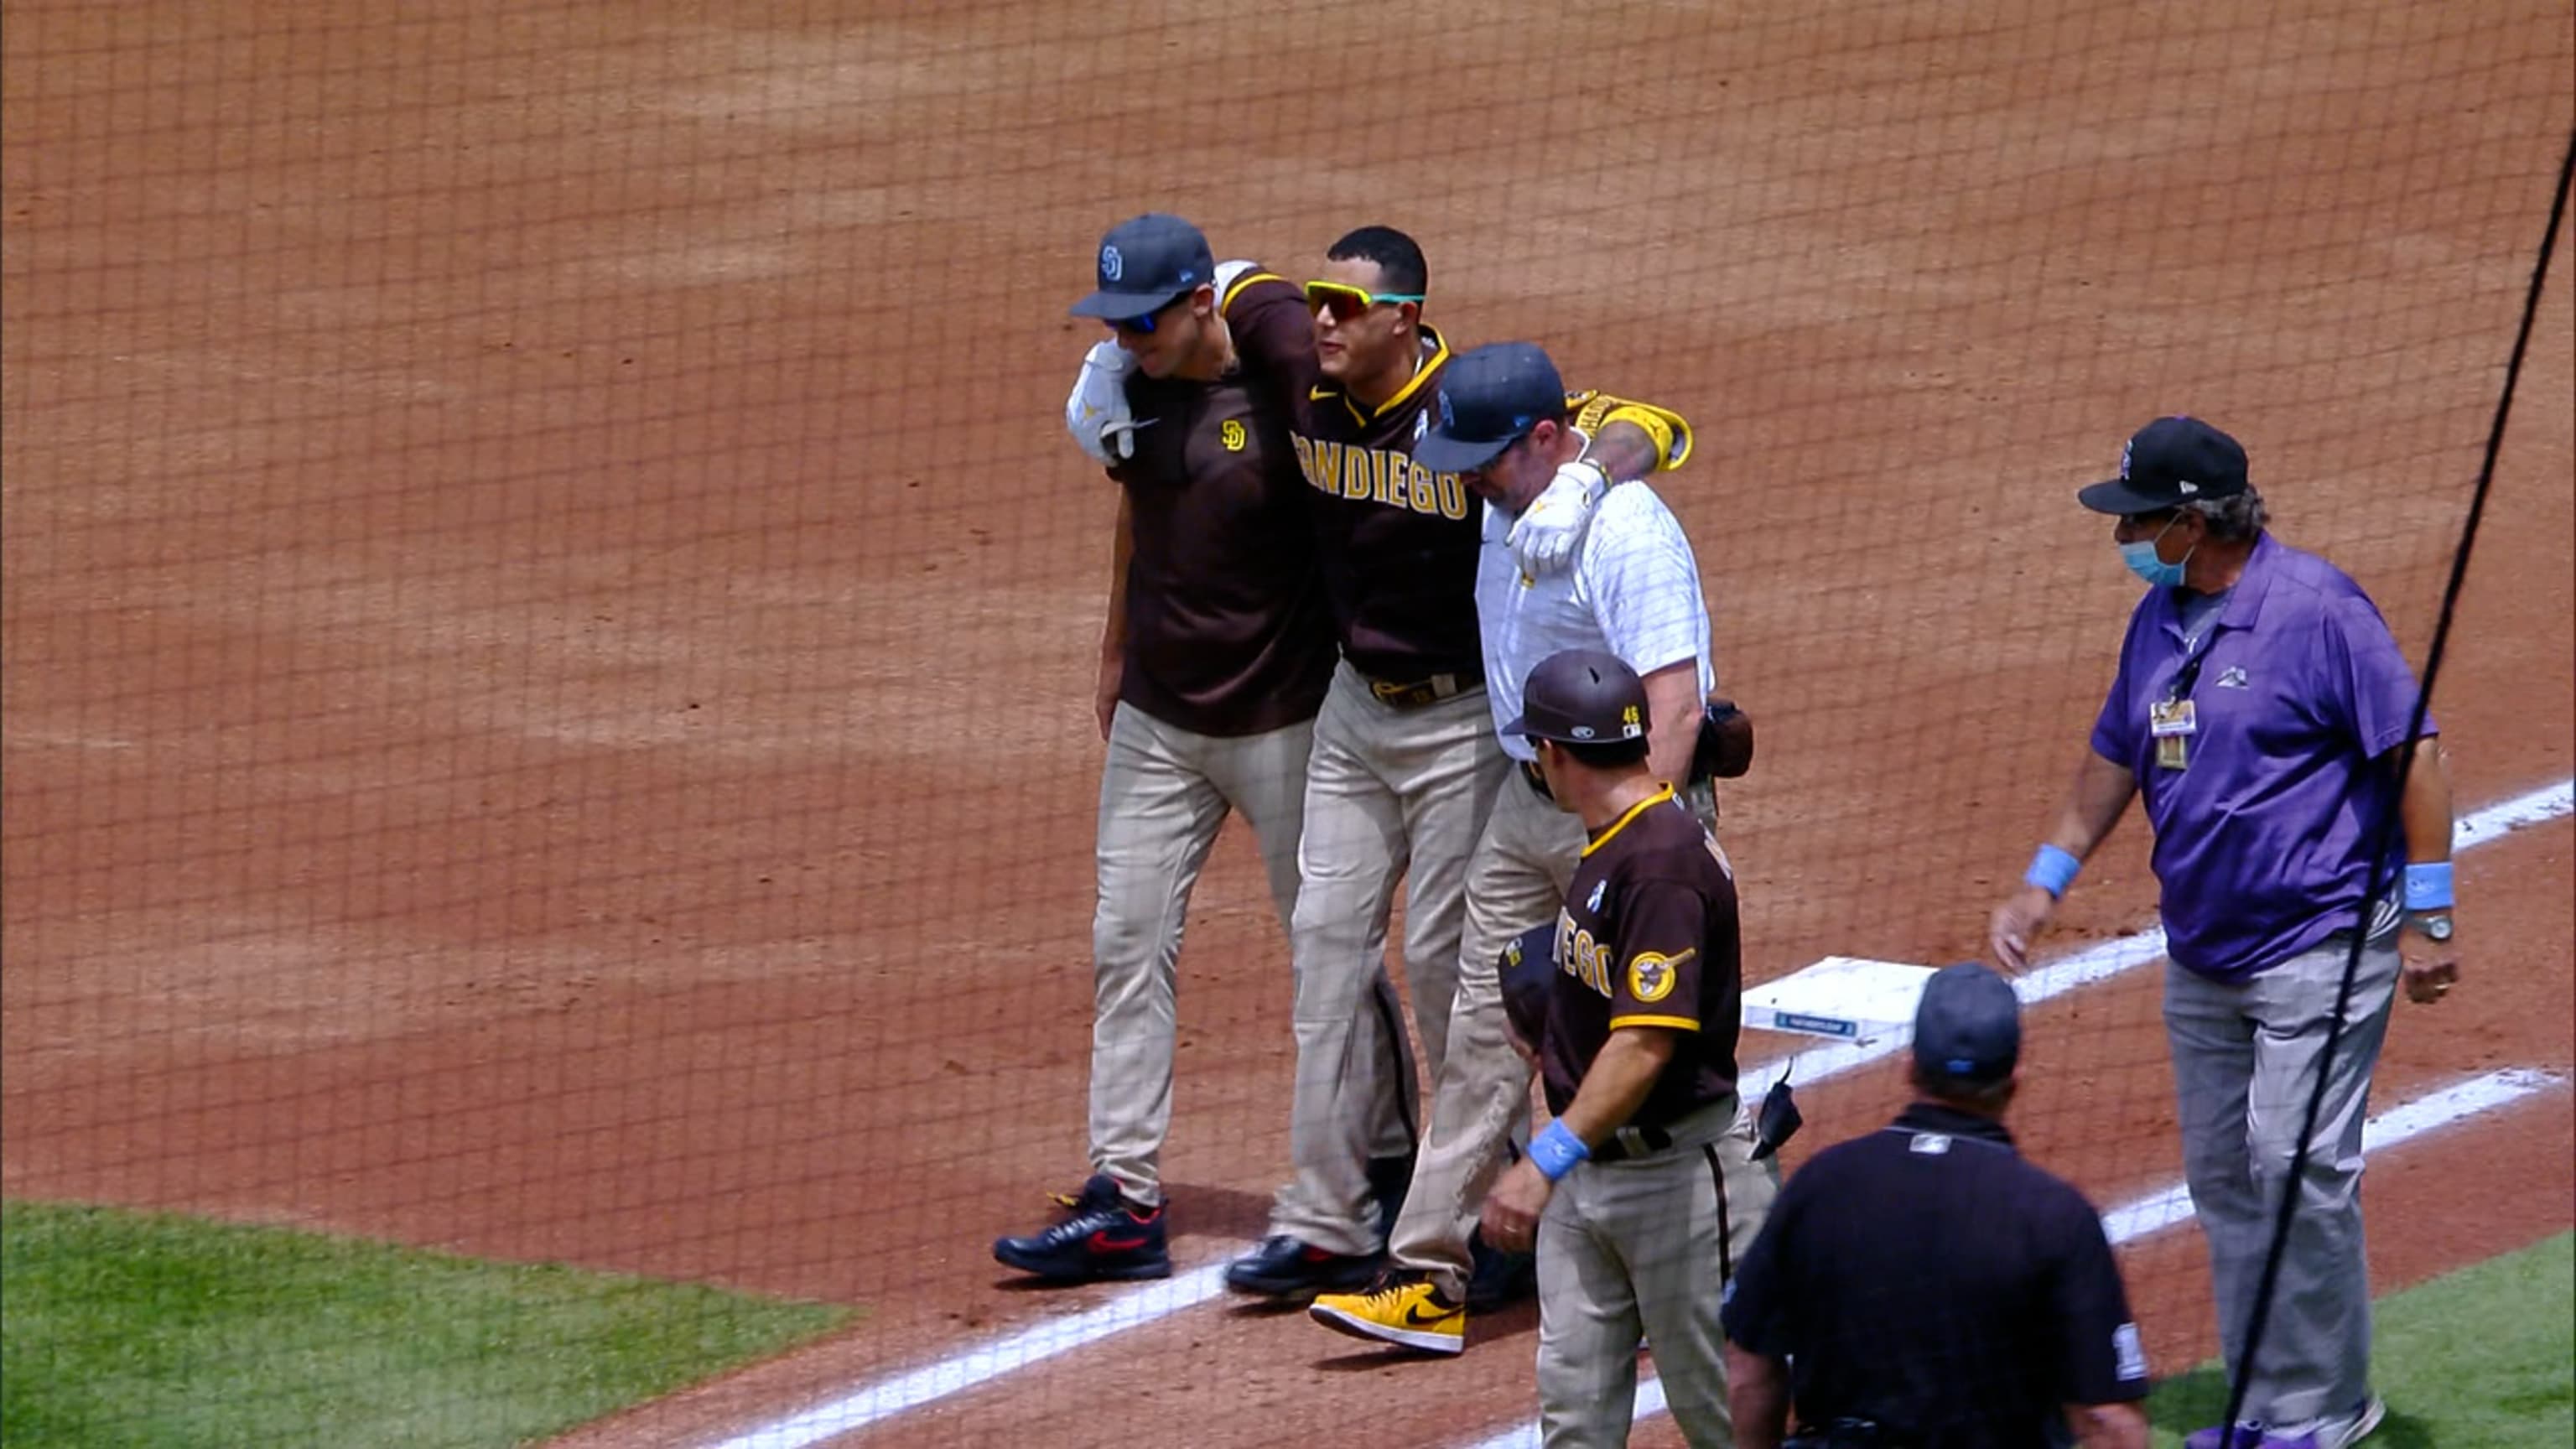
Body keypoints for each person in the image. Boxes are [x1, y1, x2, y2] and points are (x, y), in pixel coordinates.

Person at [1223, 228, 1701, 1301]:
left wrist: (1586, 483)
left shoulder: (1494, 421)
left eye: (1350, 308)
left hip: (1495, 750)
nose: (1325, 325)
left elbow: (1650, 425)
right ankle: (1363, 1220)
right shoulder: (1325, 365)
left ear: (1408, 316)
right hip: (1389, 722)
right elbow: (1220, 287)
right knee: (1349, 957)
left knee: (1487, 985)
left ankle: (1531, 1219)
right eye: (1317, 307)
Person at [1988, 415, 2457, 1449]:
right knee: (2229, 1182)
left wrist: (2429, 917)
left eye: (2141, 520)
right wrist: (2043, 881)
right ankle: (2266, 1400)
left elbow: (2412, 754)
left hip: (2322, 940)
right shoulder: (2160, 621)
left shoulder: (2318, 611)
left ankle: (2326, 1405)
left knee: (2295, 1169)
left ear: (2195, 522)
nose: (2127, 541)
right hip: (2202, 953)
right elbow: (2116, 753)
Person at [994, 214, 1410, 1282]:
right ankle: (1125, 1197)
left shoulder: (1275, 363)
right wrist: (1111, 654)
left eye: (1142, 322)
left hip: (1286, 725)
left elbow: (1302, 327)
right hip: (1159, 726)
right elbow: (1138, 520)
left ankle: (1381, 1171)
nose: (1123, 340)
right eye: (1112, 322)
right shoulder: (1133, 391)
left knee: (1331, 958)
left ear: (1196, 305)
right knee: (1126, 945)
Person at [1309, 341, 1721, 1354]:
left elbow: (1675, 703)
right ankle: (1431, 1270)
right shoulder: (1510, 501)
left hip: (1628, 816)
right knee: (1483, 1013)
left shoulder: (1625, 532)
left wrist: (1633, 849)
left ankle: (1680, 1262)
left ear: (1546, 439)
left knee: (1640, 1035)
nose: (1464, 479)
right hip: (1524, 799)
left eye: (1482, 458)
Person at [1466, 649, 1774, 1444]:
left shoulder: (1661, 861)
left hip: (1675, 1182)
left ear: (1554, 754)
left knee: (1723, 1419)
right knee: (1574, 1421)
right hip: (1591, 1179)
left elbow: (1644, 1044)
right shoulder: (1614, 839)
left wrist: (1541, 1164)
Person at [1721, 963, 2153, 1449]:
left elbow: (1750, 1368)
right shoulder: (2053, 1216)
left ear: (1910, 1066)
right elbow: (2106, 1421)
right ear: (2014, 1080)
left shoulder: (1821, 1186)